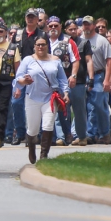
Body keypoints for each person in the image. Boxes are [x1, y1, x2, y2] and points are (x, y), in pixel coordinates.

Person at [14, 37, 70, 163]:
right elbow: (18, 77)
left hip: (50, 98)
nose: (40, 47)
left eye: (43, 45)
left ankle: (44, 155)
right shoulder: (28, 60)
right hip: (32, 97)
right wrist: (24, 81)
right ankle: (32, 147)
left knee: (48, 125)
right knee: (33, 129)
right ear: (34, 46)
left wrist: (65, 93)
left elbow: (62, 79)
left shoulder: (55, 60)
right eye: (38, 45)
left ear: (47, 46)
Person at [9, 8, 47, 145]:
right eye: (28, 17)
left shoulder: (43, 35)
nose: (30, 19)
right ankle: (20, 133)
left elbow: (46, 55)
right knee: (16, 102)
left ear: (38, 19)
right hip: (21, 73)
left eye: (33, 17)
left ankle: (38, 134)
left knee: (39, 104)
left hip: (38, 75)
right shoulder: (18, 35)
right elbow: (12, 56)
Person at [77, 16, 111, 146]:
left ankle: (105, 134)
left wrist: (107, 79)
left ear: (93, 26)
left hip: (98, 75)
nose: (86, 27)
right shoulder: (79, 39)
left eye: (89, 24)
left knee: (100, 105)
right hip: (82, 76)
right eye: (84, 24)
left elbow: (109, 60)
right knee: (84, 106)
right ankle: (87, 134)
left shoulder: (102, 40)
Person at [45, 16, 79, 146]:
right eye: (51, 26)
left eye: (56, 25)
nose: (53, 28)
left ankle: (64, 135)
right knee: (51, 108)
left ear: (60, 27)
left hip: (63, 78)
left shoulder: (68, 41)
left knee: (62, 107)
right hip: (47, 80)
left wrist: (74, 75)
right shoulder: (44, 41)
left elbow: (75, 60)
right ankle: (56, 137)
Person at [60, 19, 92, 147]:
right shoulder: (62, 43)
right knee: (62, 111)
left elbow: (89, 61)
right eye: (70, 29)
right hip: (63, 80)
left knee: (79, 110)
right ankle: (64, 136)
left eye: (74, 29)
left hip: (79, 80)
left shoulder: (84, 43)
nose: (73, 31)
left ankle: (82, 136)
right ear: (66, 31)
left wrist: (91, 78)